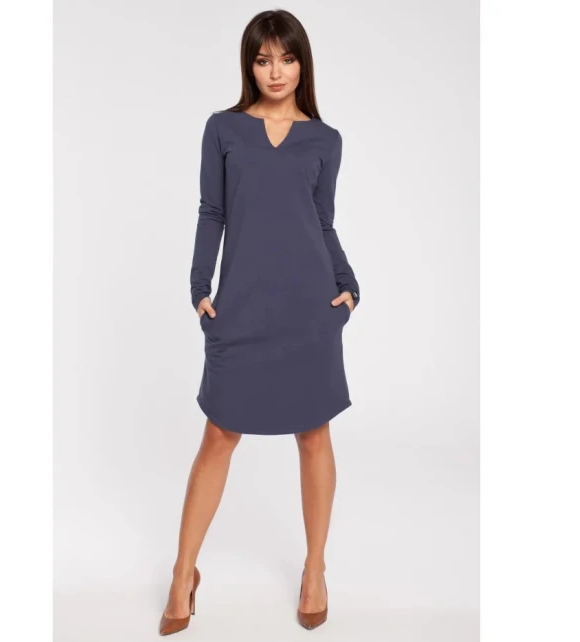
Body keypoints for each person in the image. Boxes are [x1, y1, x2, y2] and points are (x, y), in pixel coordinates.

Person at [159, 9, 361, 636]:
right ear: (249, 65)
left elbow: (321, 222)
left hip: (309, 307)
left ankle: (315, 570)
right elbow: (212, 211)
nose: (276, 71)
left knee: (314, 435)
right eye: (263, 59)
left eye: (287, 58)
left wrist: (348, 283)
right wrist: (200, 287)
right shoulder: (223, 129)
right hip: (243, 306)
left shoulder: (325, 140)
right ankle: (182, 573)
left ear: (303, 64)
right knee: (220, 434)